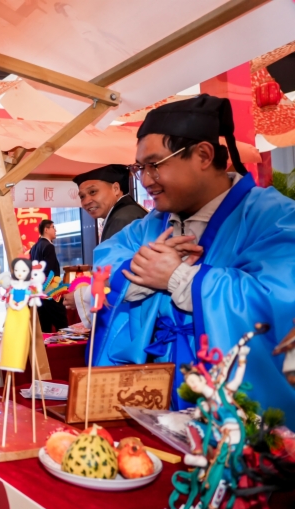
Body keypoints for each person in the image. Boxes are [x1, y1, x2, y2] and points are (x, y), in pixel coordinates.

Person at [90, 94, 295, 419]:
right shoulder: (149, 226)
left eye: (155, 165)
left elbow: (281, 299)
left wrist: (181, 278)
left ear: (203, 155)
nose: (145, 180)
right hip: (153, 406)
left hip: (231, 412)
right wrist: (143, 269)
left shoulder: (274, 217)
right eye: (140, 168)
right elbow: (104, 267)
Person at [63, 164, 147, 323]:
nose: (86, 201)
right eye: (82, 196)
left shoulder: (123, 218)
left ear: (116, 188)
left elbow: (116, 277)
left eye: (93, 192)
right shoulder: (125, 213)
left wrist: (80, 297)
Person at [28, 220, 68, 332]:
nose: (55, 230)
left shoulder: (34, 247)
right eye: (53, 227)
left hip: (38, 291)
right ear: (46, 229)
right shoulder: (48, 246)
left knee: (44, 326)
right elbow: (50, 270)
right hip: (50, 290)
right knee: (62, 323)